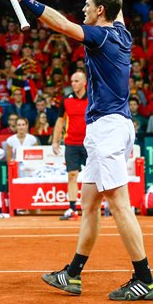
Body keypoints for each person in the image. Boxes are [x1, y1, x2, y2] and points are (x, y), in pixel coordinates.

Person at [2, 0, 153, 300]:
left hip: (107, 128)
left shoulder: (100, 36)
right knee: (89, 203)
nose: (83, 9)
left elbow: (62, 24)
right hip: (109, 128)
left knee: (119, 203)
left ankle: (145, 278)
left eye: (88, 5)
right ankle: (72, 275)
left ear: (100, 11)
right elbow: (115, 7)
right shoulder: (122, 30)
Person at [51, 71, 88, 221]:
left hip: (90, 144)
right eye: (72, 81)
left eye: (76, 81)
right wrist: (55, 140)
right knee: (72, 175)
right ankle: (72, 209)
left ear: (84, 83)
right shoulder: (66, 100)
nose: (73, 84)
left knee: (97, 176)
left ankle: (100, 206)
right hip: (72, 143)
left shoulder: (93, 99)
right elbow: (60, 121)